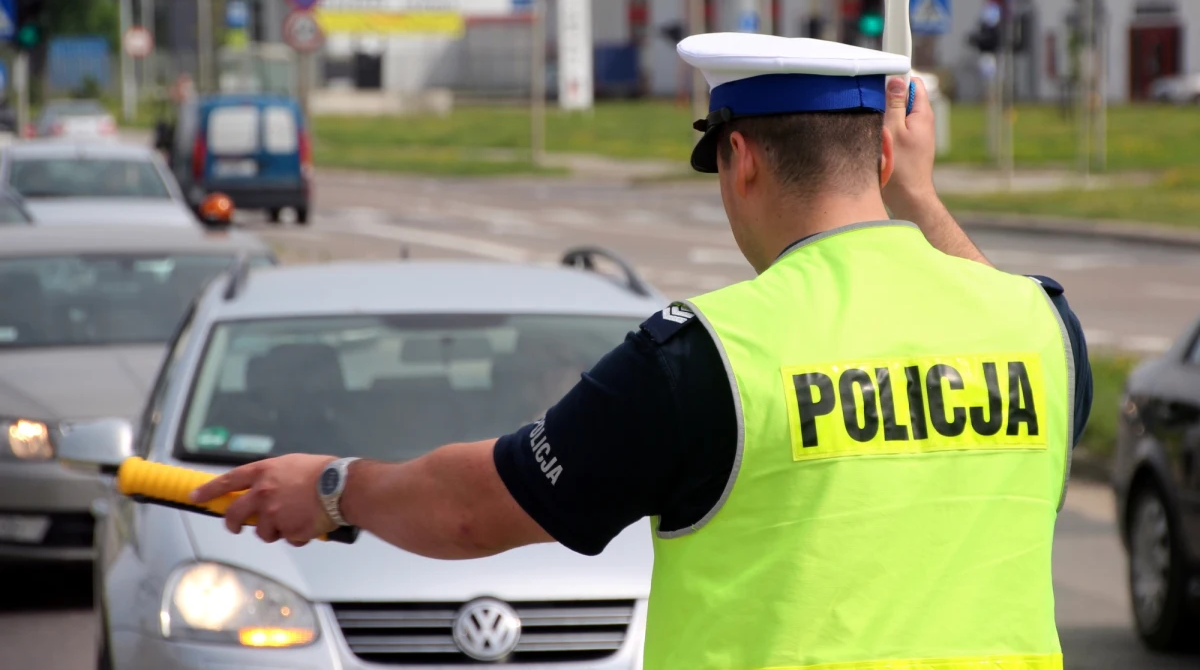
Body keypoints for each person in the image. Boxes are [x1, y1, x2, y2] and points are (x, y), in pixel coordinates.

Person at [193, 34, 1092, 670]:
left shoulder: (710, 357)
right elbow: (1001, 307)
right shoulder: (1039, 329)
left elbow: (477, 509)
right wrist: (923, 201)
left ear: (741, 158)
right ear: (885, 161)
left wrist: (334, 489)